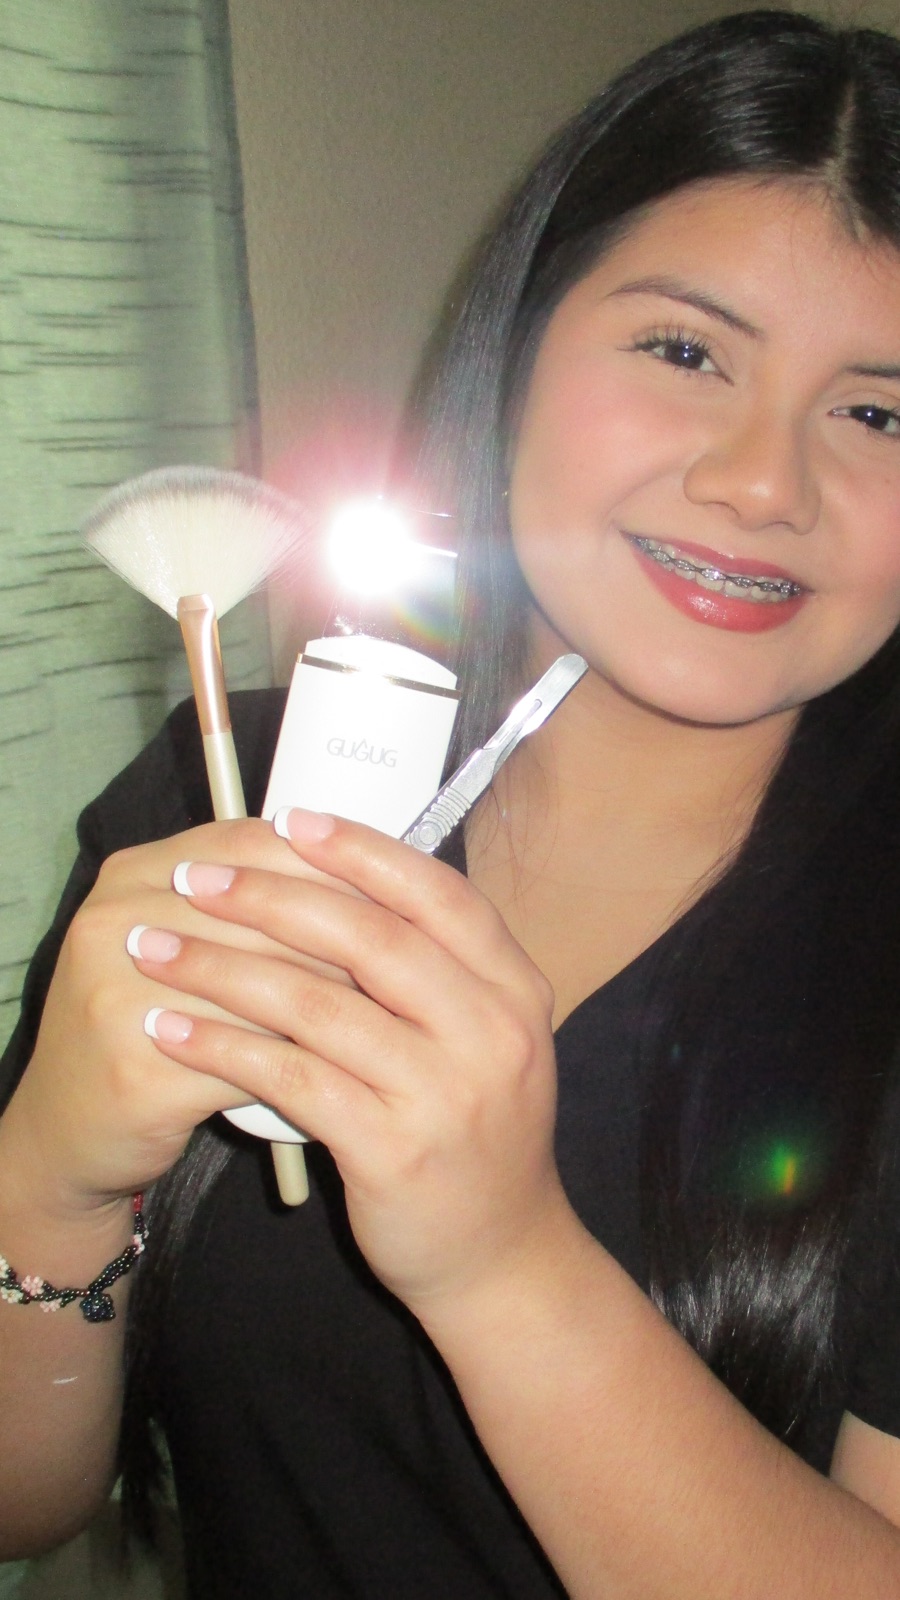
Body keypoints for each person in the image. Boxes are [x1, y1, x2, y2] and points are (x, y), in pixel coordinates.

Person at [6, 8, 900, 1594]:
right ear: (519, 351)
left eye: (882, 412)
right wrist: (48, 1176)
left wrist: (505, 1266)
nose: (766, 482)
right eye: (685, 352)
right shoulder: (223, 796)